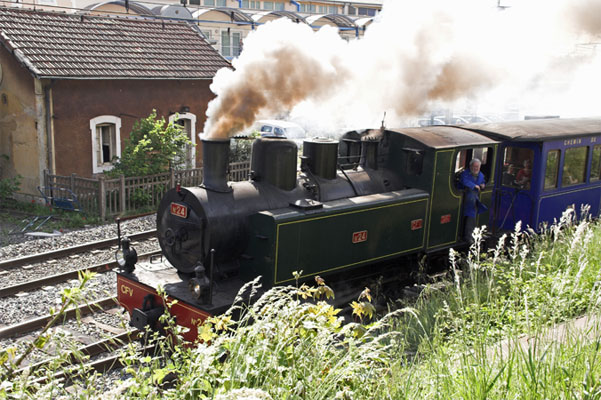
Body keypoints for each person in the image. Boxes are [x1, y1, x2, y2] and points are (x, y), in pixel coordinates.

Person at [459, 158, 487, 243]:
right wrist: (473, 185)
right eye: (474, 166)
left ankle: (470, 235)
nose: (476, 168)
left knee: (472, 215)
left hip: (473, 200)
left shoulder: (481, 175)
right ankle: (468, 236)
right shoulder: (465, 173)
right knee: (470, 214)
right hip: (464, 199)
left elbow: (483, 182)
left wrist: (483, 185)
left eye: (477, 167)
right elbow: (464, 181)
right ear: (470, 166)